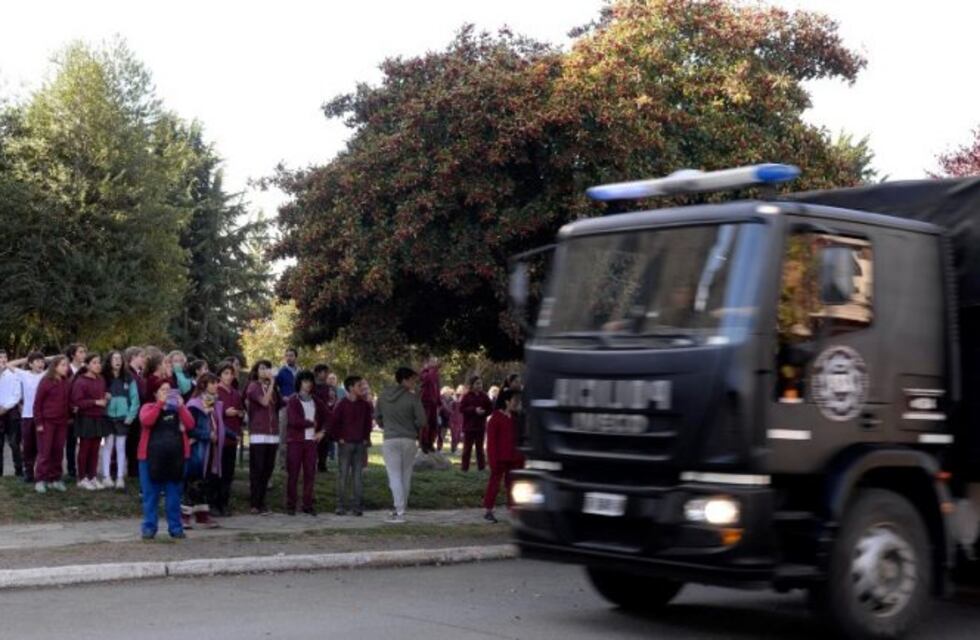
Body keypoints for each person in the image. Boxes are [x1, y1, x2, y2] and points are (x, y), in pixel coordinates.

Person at [138, 381, 193, 540]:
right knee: (150, 496)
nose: (167, 393)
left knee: (174, 497)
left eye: (170, 390)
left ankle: (176, 528)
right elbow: (147, 421)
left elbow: (190, 424)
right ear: (155, 393)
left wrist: (181, 406)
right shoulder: (147, 407)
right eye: (163, 390)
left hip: (176, 458)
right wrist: (160, 404)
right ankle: (149, 528)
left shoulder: (179, 409)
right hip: (150, 459)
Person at [375, 368, 426, 523]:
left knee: (394, 475)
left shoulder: (383, 396)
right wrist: (413, 426)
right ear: (404, 380)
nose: (414, 383)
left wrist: (387, 426)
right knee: (405, 474)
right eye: (412, 379)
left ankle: (399, 508)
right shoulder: (413, 398)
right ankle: (401, 508)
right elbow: (423, 421)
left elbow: (378, 417)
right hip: (409, 439)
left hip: (390, 439)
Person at [329, 375, 373, 516]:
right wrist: (338, 437)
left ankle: (357, 506)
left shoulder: (365, 405)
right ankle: (340, 505)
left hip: (360, 444)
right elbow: (334, 422)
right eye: (359, 386)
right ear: (351, 388)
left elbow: (367, 424)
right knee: (343, 475)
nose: (362, 388)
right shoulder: (341, 404)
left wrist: (366, 438)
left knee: (357, 476)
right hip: (345, 443)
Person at [285, 370, 327, 516]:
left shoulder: (316, 400)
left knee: (310, 474)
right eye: (304, 381)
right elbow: (293, 421)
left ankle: (307, 505)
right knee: (293, 474)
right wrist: (310, 423)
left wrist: (322, 431)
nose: (308, 384)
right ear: (299, 383)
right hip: (295, 442)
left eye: (310, 381)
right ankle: (291, 505)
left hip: (311, 443)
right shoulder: (293, 400)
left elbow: (329, 417)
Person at [185, 374, 223, 529]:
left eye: (216, 383)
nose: (216, 386)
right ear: (203, 385)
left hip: (210, 449)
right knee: (193, 481)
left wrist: (231, 435)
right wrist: (208, 435)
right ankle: (184, 517)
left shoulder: (212, 403)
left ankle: (202, 516)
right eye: (212, 383)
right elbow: (190, 428)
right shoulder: (194, 405)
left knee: (204, 482)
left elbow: (216, 424)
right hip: (197, 449)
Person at [483, 389, 526, 523]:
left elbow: (520, 438)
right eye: (514, 400)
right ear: (507, 401)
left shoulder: (515, 418)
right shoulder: (495, 418)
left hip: (514, 458)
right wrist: (492, 459)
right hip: (499, 458)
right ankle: (488, 510)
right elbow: (491, 442)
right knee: (494, 484)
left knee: (513, 484)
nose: (517, 403)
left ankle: (514, 509)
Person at [70, 353, 109, 490]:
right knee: (85, 449)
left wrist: (105, 397)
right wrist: (96, 402)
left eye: (99, 362)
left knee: (95, 449)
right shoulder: (80, 381)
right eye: (94, 362)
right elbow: (78, 402)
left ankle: (92, 477)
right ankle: (82, 478)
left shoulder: (101, 379)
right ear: (87, 365)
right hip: (85, 419)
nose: (98, 365)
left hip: (99, 418)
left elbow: (101, 396)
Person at [101, 350, 139, 490]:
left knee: (121, 447)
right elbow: (98, 393)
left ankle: (120, 477)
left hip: (123, 418)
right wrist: (104, 397)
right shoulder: (103, 377)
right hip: (107, 417)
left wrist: (130, 416)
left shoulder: (129, 378)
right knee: (108, 445)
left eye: (119, 358)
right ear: (109, 361)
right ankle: (106, 476)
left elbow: (135, 399)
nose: (117, 361)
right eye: (114, 358)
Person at [33, 356, 71, 493]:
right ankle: (40, 480)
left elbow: (67, 402)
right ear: (55, 366)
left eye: (67, 365)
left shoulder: (66, 382)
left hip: (61, 422)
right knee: (45, 452)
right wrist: (39, 423)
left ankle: (55, 479)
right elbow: (37, 404)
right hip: (47, 422)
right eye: (63, 365)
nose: (66, 367)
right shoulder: (45, 382)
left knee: (58, 451)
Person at [246, 360, 280, 514]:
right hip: (258, 434)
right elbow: (265, 402)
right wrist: (272, 383)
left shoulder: (272, 388)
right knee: (257, 469)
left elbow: (277, 405)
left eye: (267, 368)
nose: (265, 370)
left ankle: (262, 502)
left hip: (272, 435)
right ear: (256, 371)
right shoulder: (253, 386)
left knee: (267, 469)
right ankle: (254, 503)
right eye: (262, 368)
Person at [8, 352, 46, 484]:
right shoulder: (24, 374)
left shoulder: (46, 375)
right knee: (28, 446)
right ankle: (28, 473)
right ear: (30, 364)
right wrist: (28, 358)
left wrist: (44, 358)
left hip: (42, 416)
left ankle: (41, 473)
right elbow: (9, 364)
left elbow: (59, 362)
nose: (41, 364)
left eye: (42, 361)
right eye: (37, 361)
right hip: (27, 416)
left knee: (41, 447)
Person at [214, 363, 244, 516]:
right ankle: (214, 504)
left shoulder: (236, 393)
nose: (229, 376)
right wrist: (224, 412)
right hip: (218, 439)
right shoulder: (215, 391)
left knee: (228, 473)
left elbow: (241, 412)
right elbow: (211, 411)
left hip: (233, 438)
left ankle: (224, 503)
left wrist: (240, 414)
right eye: (225, 373)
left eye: (231, 373)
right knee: (216, 473)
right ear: (220, 375)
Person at [459, 376, 493, 472]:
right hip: (469, 427)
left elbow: (490, 408)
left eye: (480, 383)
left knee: (480, 449)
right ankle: (464, 468)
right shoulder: (467, 396)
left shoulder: (484, 396)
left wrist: (484, 412)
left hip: (480, 426)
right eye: (477, 383)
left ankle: (481, 468)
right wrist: (474, 410)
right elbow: (461, 409)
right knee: (467, 449)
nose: (479, 385)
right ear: (472, 385)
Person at [64, 343, 87, 478]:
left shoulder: (86, 369)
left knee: (85, 442)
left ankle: (84, 469)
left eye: (84, 352)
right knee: (70, 442)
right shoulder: (66, 369)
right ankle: (71, 470)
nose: (83, 354)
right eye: (80, 352)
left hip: (84, 411)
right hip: (69, 412)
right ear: (73, 355)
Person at [124, 346, 148, 478]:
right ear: (133, 357)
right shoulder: (129, 374)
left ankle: (133, 469)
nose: (143, 359)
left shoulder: (137, 373)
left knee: (135, 441)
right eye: (141, 356)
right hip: (132, 412)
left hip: (138, 411)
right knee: (132, 442)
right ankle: (132, 470)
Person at [0, 350, 24, 478]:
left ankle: (19, 471)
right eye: (0, 357)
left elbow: (17, 394)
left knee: (14, 443)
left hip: (11, 413)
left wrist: (5, 408)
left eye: (5, 357)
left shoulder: (13, 375)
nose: (3, 359)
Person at [312, 364, 337, 472]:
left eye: (327, 372)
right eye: (324, 372)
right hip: (313, 416)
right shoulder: (312, 386)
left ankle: (322, 464)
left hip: (325, 417)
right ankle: (311, 463)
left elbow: (332, 401)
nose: (327, 374)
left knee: (324, 441)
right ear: (318, 373)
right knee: (312, 441)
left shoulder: (329, 388)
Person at [418, 356, 441, 453]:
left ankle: (430, 443)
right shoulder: (424, 372)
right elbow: (427, 380)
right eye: (432, 361)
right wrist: (431, 369)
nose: (435, 363)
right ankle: (423, 443)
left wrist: (439, 401)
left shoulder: (435, 373)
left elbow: (437, 387)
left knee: (433, 424)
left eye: (435, 361)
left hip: (434, 403)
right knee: (425, 424)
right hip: (425, 402)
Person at [439, 386, 456, 454]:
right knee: (441, 434)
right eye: (446, 391)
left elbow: (454, 406)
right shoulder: (441, 398)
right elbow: (444, 407)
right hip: (442, 416)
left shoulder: (451, 398)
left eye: (448, 391)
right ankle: (439, 448)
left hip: (449, 418)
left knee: (447, 433)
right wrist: (451, 411)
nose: (448, 392)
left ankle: (451, 449)